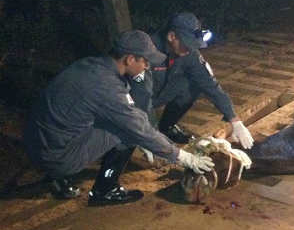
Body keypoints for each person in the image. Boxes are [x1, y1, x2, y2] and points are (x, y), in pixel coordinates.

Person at [23, 30, 215, 205]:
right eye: (145, 61)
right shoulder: (106, 87)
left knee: (121, 121)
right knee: (128, 131)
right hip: (55, 157)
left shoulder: (91, 65)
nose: (148, 66)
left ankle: (55, 176)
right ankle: (104, 191)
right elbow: (138, 127)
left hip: (37, 142)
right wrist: (182, 157)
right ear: (130, 59)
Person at [129, 12, 254, 149]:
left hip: (157, 94)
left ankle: (166, 127)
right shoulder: (146, 50)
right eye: (186, 44)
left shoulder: (189, 53)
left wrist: (235, 121)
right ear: (171, 36)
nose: (190, 50)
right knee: (125, 137)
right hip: (130, 100)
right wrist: (150, 137)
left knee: (193, 86)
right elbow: (141, 96)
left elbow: (210, 84)